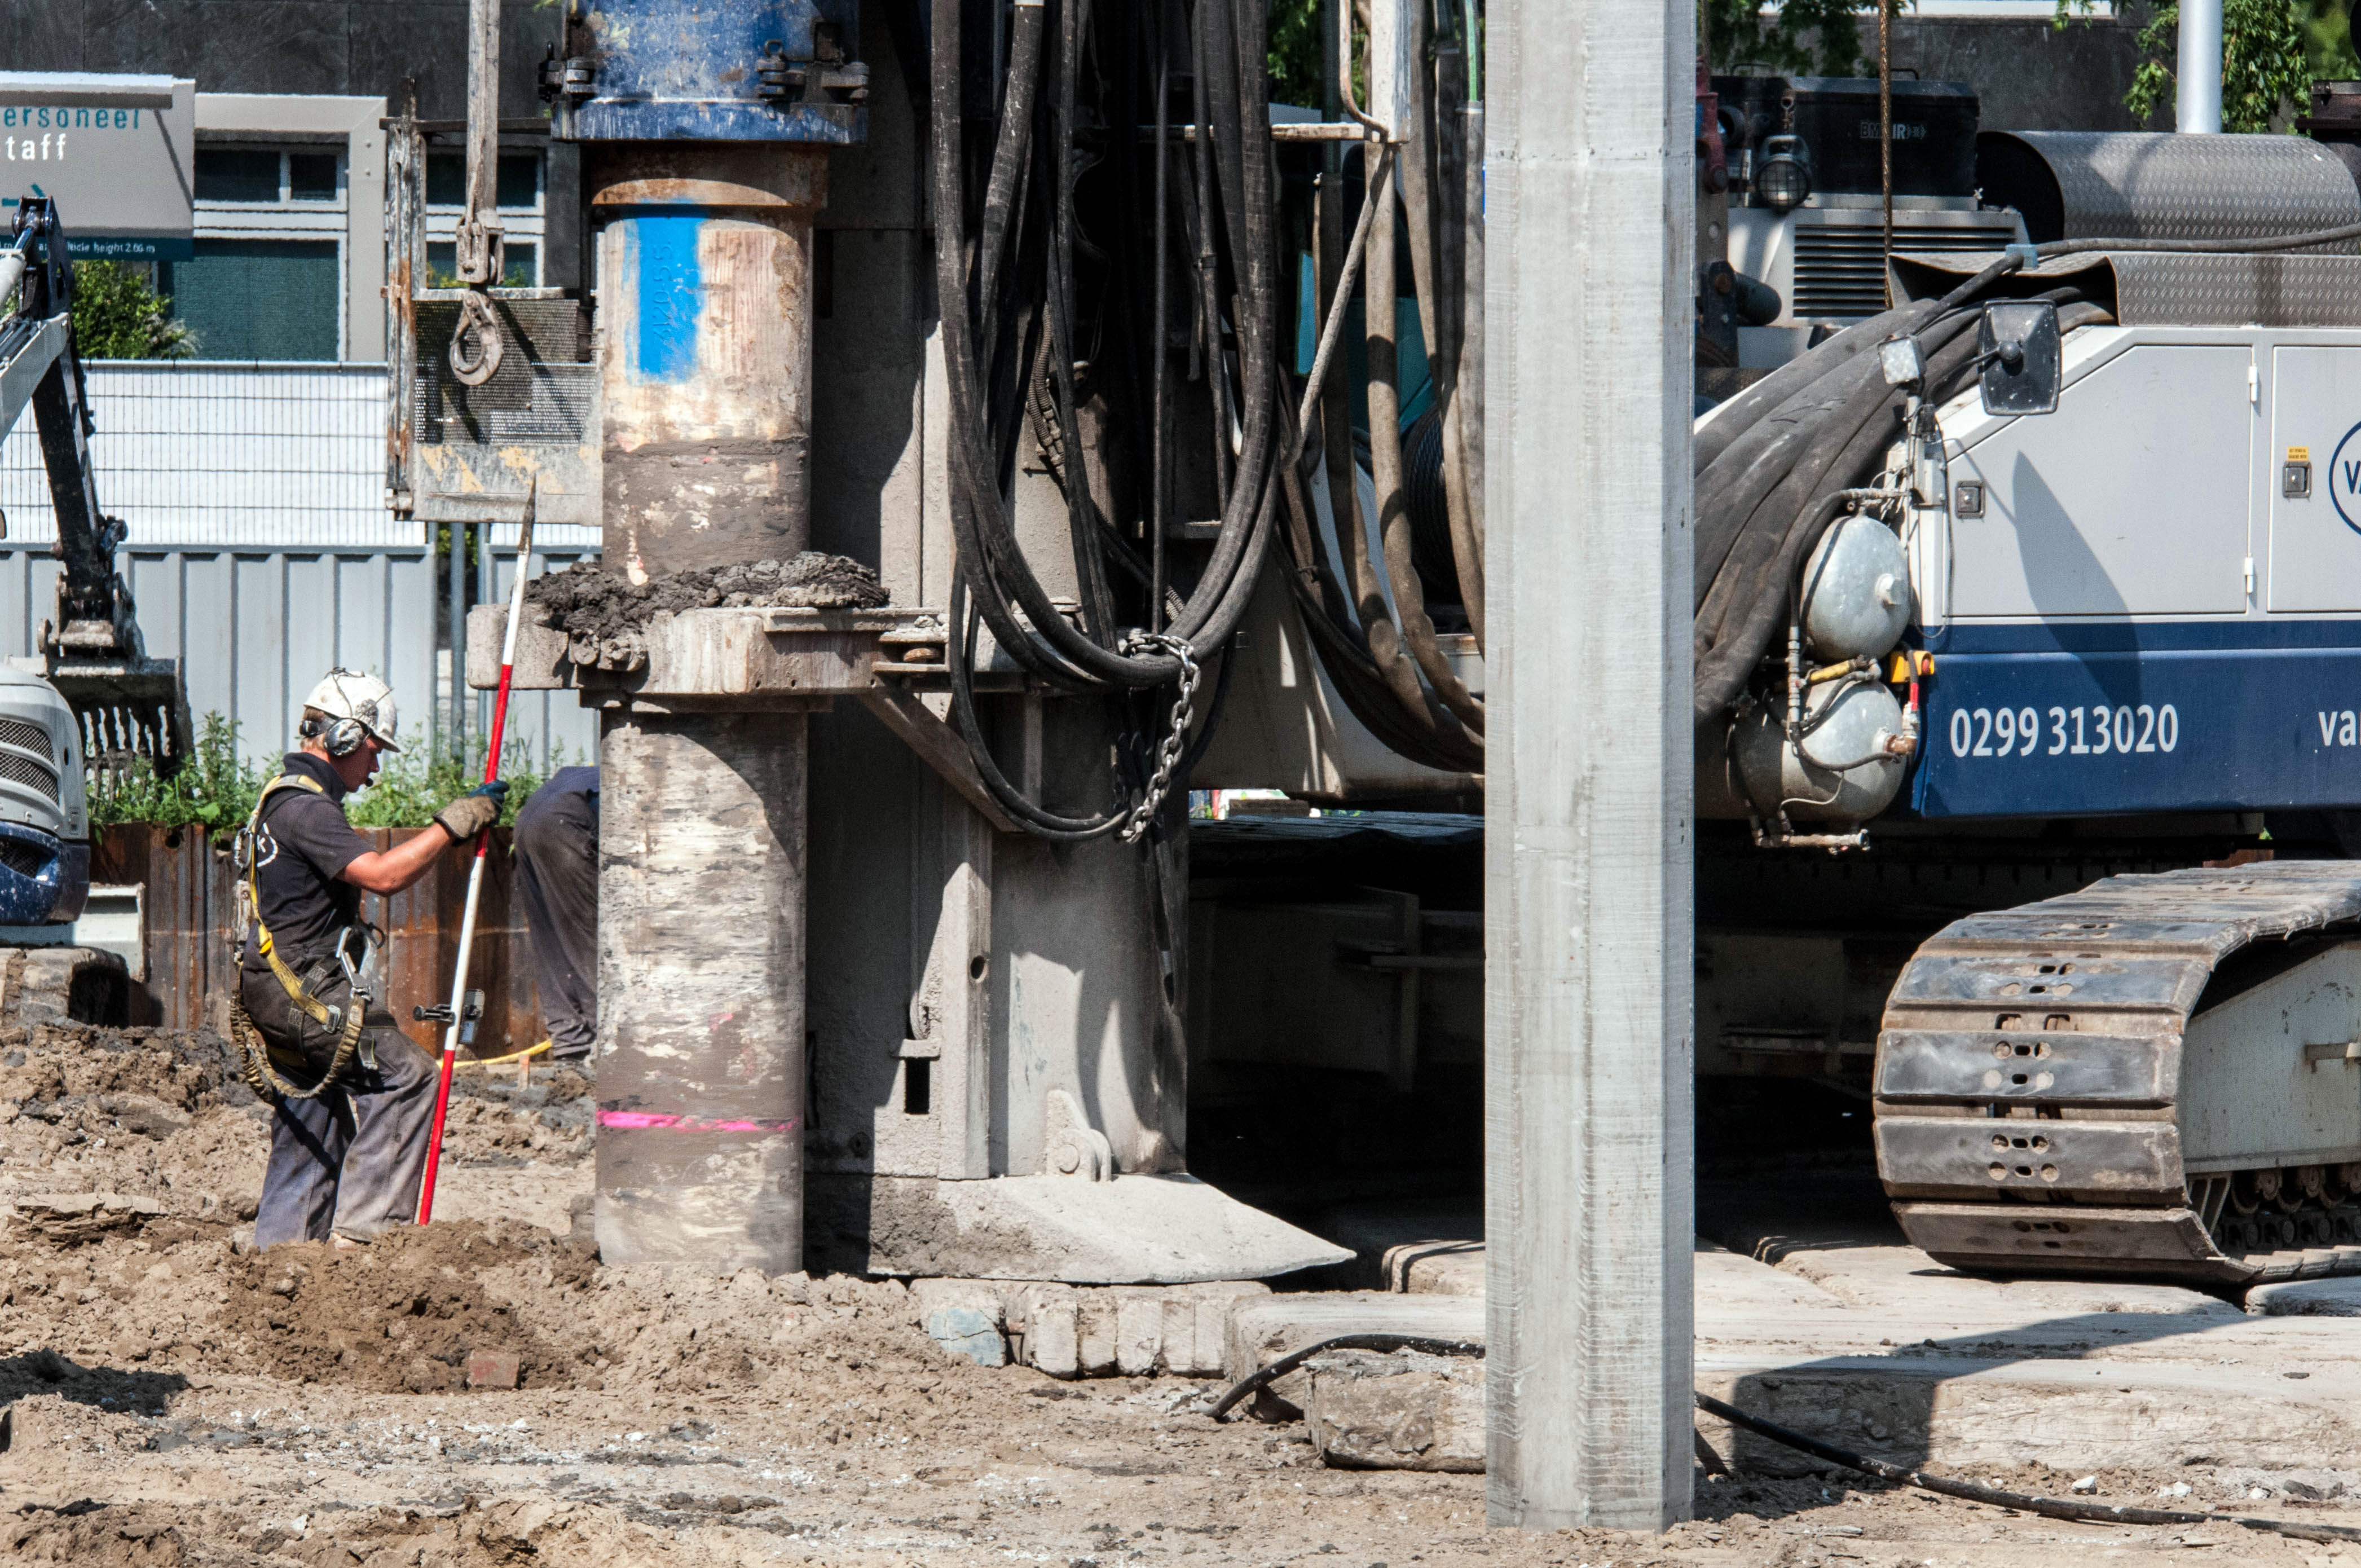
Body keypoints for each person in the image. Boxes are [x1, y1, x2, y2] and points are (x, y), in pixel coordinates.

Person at [236, 668, 506, 1249]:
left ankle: (281, 1251)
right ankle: (367, 1243)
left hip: (279, 987)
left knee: (316, 1112)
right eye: (374, 750)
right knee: (408, 1076)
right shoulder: (307, 809)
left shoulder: (279, 799)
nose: (376, 767)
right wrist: (451, 825)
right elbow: (383, 876)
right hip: (311, 992)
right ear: (344, 738)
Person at [512, 767, 598, 1064]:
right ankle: (607, 1040)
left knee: (550, 935)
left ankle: (571, 1045)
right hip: (569, 819)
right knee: (593, 937)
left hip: (530, 818)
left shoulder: (599, 773)